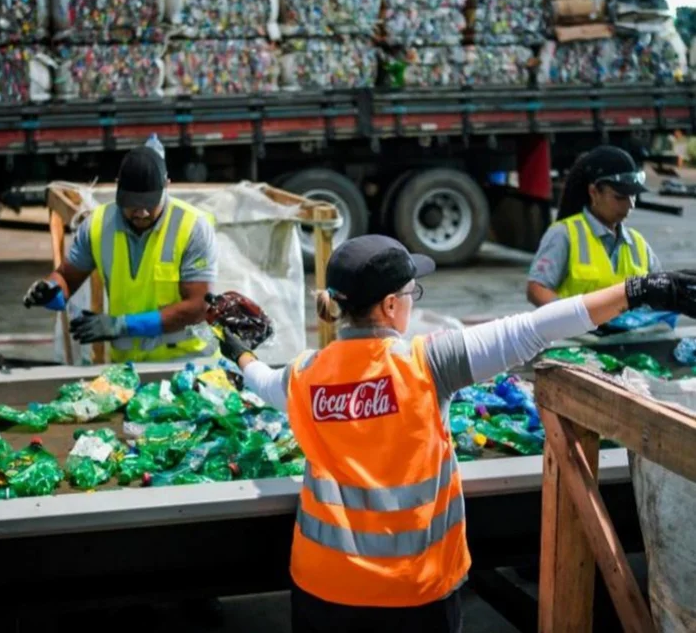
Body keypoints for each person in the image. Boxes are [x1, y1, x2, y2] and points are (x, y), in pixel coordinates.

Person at [216, 234, 696, 633]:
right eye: (411, 292)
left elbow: (262, 382)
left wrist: (239, 354)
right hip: (413, 594)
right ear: (388, 306)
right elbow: (533, 329)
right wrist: (638, 290)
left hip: (322, 591)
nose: (411, 301)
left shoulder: (304, 374)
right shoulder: (428, 364)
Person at [23, 138, 218, 361]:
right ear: (118, 187)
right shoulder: (97, 226)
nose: (142, 213)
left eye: (149, 203)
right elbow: (66, 278)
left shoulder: (192, 227)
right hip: (129, 371)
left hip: (188, 365)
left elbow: (199, 306)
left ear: (167, 186)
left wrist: (121, 325)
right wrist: (50, 291)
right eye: (133, 204)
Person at [527, 145, 661, 308]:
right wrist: (572, 317)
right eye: (620, 197)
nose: (630, 205)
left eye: (633, 196)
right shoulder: (564, 234)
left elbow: (660, 287)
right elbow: (537, 289)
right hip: (576, 333)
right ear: (594, 192)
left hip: (629, 332)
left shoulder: (638, 244)